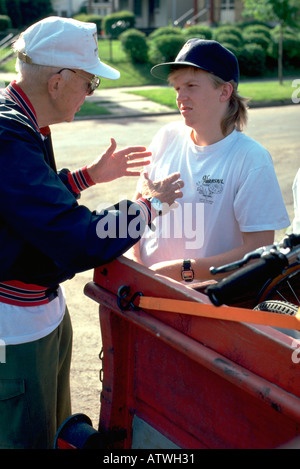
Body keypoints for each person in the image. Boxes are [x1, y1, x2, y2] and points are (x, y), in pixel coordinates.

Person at [0, 16, 183, 449]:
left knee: (51, 430)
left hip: (34, 311)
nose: (89, 94)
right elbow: (78, 237)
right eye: (90, 83)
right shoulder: (9, 136)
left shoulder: (19, 120)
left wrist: (85, 177)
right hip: (15, 324)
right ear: (59, 81)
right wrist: (148, 207)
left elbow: (23, 203)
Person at [131, 38, 290, 283]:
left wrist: (183, 270)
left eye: (191, 85)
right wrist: (137, 266)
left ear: (225, 91)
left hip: (205, 305)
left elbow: (258, 251)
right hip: (144, 292)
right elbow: (139, 207)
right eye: (177, 88)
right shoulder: (166, 136)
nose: (180, 97)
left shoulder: (251, 159)